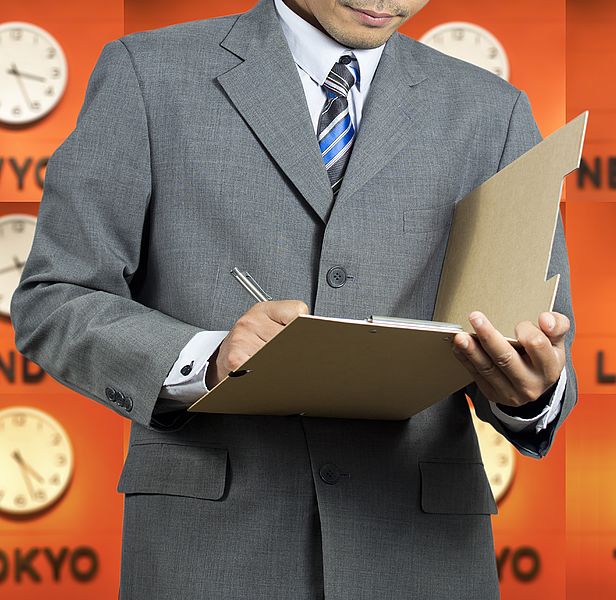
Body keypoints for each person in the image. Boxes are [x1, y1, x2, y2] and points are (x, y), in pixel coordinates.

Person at [10, 0, 578, 597]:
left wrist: (531, 395)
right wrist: (205, 359)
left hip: (419, 560)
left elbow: (538, 342)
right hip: (210, 556)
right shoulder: (146, 75)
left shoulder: (495, 113)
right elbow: (57, 296)